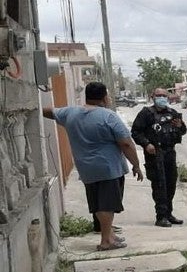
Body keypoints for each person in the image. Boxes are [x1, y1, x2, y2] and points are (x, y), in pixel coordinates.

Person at [43, 82, 144, 250]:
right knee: (107, 204)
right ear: (104, 97)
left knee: (97, 203)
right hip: (108, 168)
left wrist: (33, 108)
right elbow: (126, 143)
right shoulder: (108, 116)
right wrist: (136, 165)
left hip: (86, 168)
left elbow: (48, 111)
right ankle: (106, 240)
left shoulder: (70, 113)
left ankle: (109, 234)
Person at [131, 88, 187, 227]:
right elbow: (136, 132)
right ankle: (161, 216)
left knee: (171, 183)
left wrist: (180, 126)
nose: (161, 97)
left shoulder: (172, 113)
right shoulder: (146, 113)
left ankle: (168, 213)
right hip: (155, 154)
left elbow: (183, 130)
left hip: (169, 152)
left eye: (164, 95)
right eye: (158, 95)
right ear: (152, 97)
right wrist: (146, 144)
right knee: (159, 185)